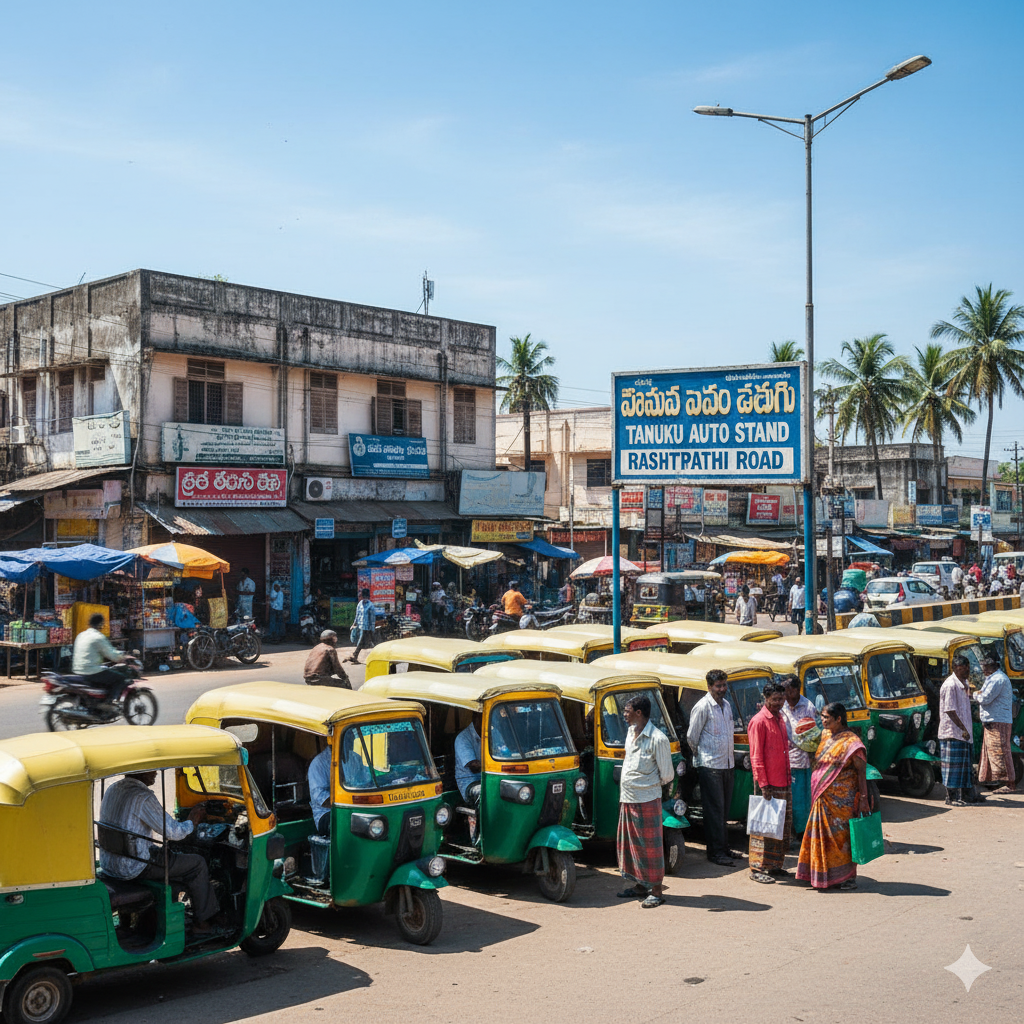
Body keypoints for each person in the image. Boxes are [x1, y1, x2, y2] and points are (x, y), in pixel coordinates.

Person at [100, 770, 220, 932]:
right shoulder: (142, 797)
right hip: (133, 868)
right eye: (151, 769)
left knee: (168, 855)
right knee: (197, 863)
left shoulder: (113, 789)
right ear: (140, 771)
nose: (156, 772)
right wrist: (192, 821)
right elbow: (173, 832)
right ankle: (203, 923)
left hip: (111, 863)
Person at [796, 702, 869, 891]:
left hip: (842, 802)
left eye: (827, 717)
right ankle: (822, 875)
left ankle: (846, 878)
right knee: (821, 836)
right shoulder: (824, 735)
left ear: (839, 719)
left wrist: (864, 798)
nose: (823, 720)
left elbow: (862, 773)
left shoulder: (853, 743)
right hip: (822, 796)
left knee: (841, 839)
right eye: (822, 716)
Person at [616, 694, 674, 908]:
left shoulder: (658, 739)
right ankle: (640, 885)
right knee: (632, 845)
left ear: (638, 713)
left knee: (650, 847)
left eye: (627, 710)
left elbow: (667, 775)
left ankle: (656, 891)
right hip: (628, 798)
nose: (624, 714)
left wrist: (647, 784)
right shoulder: (631, 732)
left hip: (647, 799)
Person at [686, 669, 737, 866]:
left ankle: (724, 848)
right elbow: (692, 737)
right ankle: (715, 853)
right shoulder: (702, 707)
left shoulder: (727, 705)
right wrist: (702, 758)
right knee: (714, 811)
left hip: (727, 764)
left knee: (724, 811)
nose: (722, 689)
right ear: (709, 687)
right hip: (710, 765)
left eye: (724, 685)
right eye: (718, 686)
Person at [747, 681, 793, 883]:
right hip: (768, 783)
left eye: (781, 699)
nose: (779, 703)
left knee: (781, 826)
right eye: (775, 699)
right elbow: (756, 756)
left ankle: (774, 865)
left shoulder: (780, 718)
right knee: (763, 827)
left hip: (783, 780)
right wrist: (764, 785)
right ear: (765, 699)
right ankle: (757, 868)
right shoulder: (759, 722)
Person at [780, 675, 819, 835]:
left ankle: (802, 832)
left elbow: (813, 736)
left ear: (796, 690)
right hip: (784, 759)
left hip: (802, 761)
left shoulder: (808, 706)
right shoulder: (781, 705)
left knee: (802, 800)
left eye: (788, 691)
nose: (786, 696)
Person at [974, 654, 1016, 793]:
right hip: (993, 719)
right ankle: (989, 780)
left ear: (993, 667)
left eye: (985, 667)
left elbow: (985, 698)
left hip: (998, 720)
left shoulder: (998, 679)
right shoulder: (992, 678)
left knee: (1001, 752)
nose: (984, 670)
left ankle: (1009, 784)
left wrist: (973, 694)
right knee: (989, 751)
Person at [938, 654, 977, 806]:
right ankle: (950, 797)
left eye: (967, 667)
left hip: (964, 733)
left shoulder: (964, 683)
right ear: (955, 668)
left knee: (964, 767)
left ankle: (966, 795)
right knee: (952, 768)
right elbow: (949, 710)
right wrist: (962, 729)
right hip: (952, 733)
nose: (966, 670)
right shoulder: (950, 685)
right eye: (963, 668)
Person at [72, 612, 131, 703]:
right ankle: (111, 701)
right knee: (121, 678)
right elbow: (112, 654)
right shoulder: (98, 637)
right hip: (92, 671)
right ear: (101, 625)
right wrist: (123, 657)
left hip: (78, 670)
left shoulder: (81, 635)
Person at [454, 712, 483, 801]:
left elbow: (504, 751)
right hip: (470, 782)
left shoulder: (492, 732)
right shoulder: (463, 738)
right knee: (488, 793)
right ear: (476, 719)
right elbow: (474, 767)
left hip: (488, 778)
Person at [348, 589, 378, 663]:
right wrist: (354, 624)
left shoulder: (371, 606)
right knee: (371, 642)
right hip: (361, 626)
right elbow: (357, 615)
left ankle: (355, 655)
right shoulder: (360, 604)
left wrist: (372, 629)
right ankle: (355, 656)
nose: (363, 598)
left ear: (367, 597)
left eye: (365, 596)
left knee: (364, 642)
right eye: (363, 596)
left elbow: (372, 619)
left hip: (368, 628)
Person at [308, 746, 333, 835]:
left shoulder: (356, 758)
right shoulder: (319, 763)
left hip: (354, 808)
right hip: (326, 813)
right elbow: (320, 797)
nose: (353, 737)